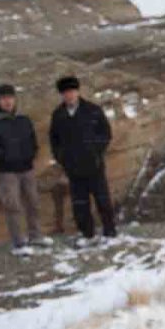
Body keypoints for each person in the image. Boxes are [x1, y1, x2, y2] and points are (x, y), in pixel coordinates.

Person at [0, 84, 52, 256]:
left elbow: (32, 138)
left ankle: (36, 235)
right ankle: (19, 242)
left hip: (27, 167)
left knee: (33, 202)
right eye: (3, 98)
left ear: (15, 99)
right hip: (6, 171)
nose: (7, 101)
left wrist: (32, 152)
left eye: (10, 97)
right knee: (13, 206)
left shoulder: (23, 119)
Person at [49, 76, 116, 245]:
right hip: (73, 168)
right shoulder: (58, 115)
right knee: (80, 203)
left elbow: (105, 133)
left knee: (102, 200)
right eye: (65, 93)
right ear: (61, 95)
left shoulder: (93, 110)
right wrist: (62, 158)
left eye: (72, 91)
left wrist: (95, 151)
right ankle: (87, 234)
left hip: (94, 165)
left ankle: (110, 232)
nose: (69, 95)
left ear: (78, 92)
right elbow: (54, 141)